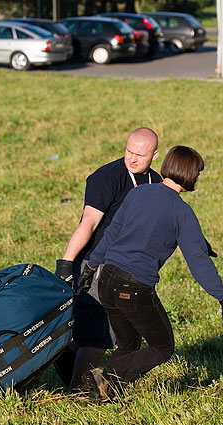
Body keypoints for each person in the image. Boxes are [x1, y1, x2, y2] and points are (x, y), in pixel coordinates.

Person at [77, 145, 223, 400]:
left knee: (129, 346)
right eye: (197, 173)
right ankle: (103, 376)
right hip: (134, 288)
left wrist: (92, 266)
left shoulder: (139, 193)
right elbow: (198, 262)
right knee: (162, 347)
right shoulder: (182, 211)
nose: (197, 178)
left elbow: (113, 232)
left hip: (107, 280)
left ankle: (100, 395)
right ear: (189, 174)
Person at [54, 127, 162, 389]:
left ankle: (66, 360)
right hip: (96, 264)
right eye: (129, 152)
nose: (132, 159)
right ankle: (79, 390)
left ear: (155, 155)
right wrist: (67, 264)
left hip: (128, 269)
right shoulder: (107, 177)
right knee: (100, 333)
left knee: (93, 330)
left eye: (140, 155)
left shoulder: (155, 183)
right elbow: (88, 223)